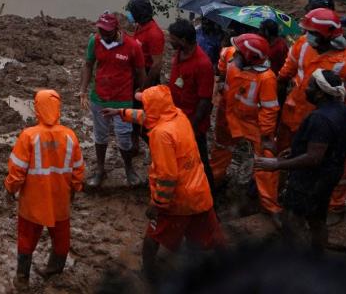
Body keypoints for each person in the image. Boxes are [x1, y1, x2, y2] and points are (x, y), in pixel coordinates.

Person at [109, 85, 224, 282]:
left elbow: (167, 176)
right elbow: (148, 116)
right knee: (213, 238)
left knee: (152, 238)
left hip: (178, 199)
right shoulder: (177, 115)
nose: (142, 105)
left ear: (153, 107)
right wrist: (121, 113)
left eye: (145, 103)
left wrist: (158, 204)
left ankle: (148, 276)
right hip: (200, 192)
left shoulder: (161, 135)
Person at [257, 70, 346, 250]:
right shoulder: (344, 110)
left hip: (310, 180)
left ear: (320, 92)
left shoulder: (319, 119)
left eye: (310, 86)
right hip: (330, 174)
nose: (306, 89)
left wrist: (277, 164)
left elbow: (313, 158)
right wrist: (297, 150)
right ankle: (317, 256)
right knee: (318, 217)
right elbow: (333, 143)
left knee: (292, 219)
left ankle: (294, 261)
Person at [276, 7, 346, 219]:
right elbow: (285, 73)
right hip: (294, 113)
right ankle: (279, 193)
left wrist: (344, 125)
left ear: (327, 34)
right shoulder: (302, 45)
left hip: (327, 122)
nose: (307, 35)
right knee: (285, 153)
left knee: (333, 163)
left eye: (312, 32)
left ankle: (335, 206)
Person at [5, 89, 84, 288]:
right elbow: (78, 170)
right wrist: (74, 190)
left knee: (26, 239)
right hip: (60, 200)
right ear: (58, 109)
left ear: (37, 109)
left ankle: (22, 278)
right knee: (61, 239)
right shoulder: (70, 136)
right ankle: (53, 272)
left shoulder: (28, 136)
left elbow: (17, 171)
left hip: (33, 203)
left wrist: (10, 190)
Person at [210, 33, 280, 216]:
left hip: (251, 122)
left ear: (251, 57)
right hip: (227, 114)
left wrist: (266, 136)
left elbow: (269, 109)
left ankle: (269, 206)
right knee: (220, 149)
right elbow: (224, 58)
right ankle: (213, 183)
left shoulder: (266, 78)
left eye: (240, 53)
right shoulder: (231, 55)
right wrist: (220, 77)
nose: (235, 55)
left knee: (264, 159)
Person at [80, 11, 146, 188]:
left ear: (117, 29)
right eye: (101, 31)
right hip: (99, 97)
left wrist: (143, 94)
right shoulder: (95, 41)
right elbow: (88, 65)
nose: (104, 36)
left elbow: (140, 71)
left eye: (107, 32)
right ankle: (100, 169)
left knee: (124, 137)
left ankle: (129, 168)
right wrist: (83, 90)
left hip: (122, 99)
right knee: (100, 136)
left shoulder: (132, 46)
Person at [167, 19, 216, 189]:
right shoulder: (179, 54)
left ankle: (210, 198)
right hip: (176, 119)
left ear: (183, 40)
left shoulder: (203, 64)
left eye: (172, 38)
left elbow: (204, 100)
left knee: (200, 161)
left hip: (193, 123)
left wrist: (192, 127)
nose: (170, 40)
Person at [127, 0, 166, 87]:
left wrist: (145, 85)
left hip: (146, 75)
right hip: (136, 72)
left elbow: (156, 65)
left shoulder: (154, 34)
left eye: (132, 12)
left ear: (138, 14)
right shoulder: (139, 26)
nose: (129, 14)